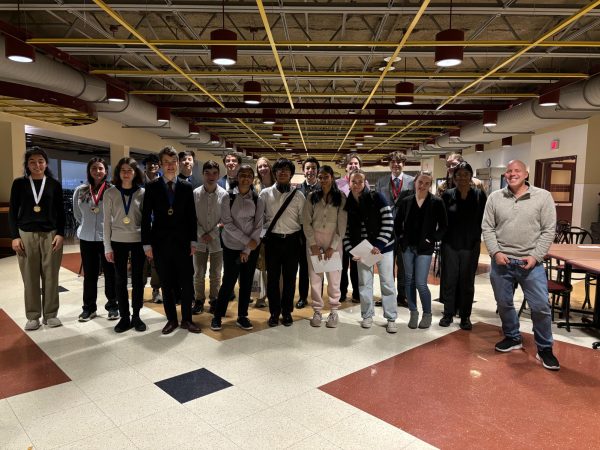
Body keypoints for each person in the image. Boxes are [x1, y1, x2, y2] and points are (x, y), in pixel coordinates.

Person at [482, 160, 559, 371]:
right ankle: (512, 336)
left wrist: (535, 256)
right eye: (508, 171)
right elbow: (487, 228)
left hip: (531, 264)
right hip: (502, 263)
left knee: (540, 306)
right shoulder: (495, 198)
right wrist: (496, 252)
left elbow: (548, 230)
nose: (512, 174)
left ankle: (544, 348)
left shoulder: (543, 197)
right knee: (504, 303)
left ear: (526, 173)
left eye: (517, 171)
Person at [142, 146, 200, 334]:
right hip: (160, 243)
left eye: (173, 162)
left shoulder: (186, 186)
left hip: (183, 243)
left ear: (177, 164)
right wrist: (147, 244)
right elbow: (145, 217)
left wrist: (193, 241)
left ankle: (187, 320)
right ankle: (172, 320)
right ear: (160, 165)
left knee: (186, 282)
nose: (170, 166)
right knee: (166, 283)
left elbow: (192, 217)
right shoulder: (151, 187)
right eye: (166, 162)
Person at [9, 147, 65, 331]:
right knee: (30, 277)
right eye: (32, 161)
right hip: (26, 234)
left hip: (51, 234)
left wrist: (60, 234)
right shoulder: (19, 184)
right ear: (27, 165)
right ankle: (33, 316)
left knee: (51, 276)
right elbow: (12, 213)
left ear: (46, 163)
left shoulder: (54, 184)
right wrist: (15, 237)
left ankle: (51, 315)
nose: (37, 165)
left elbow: (61, 212)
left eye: (40, 161)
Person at [211, 165, 264, 331]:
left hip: (251, 247)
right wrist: (246, 242)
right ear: (237, 177)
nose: (246, 178)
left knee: (247, 283)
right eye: (243, 175)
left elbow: (259, 225)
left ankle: (242, 316)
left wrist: (248, 249)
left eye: (249, 175)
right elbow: (227, 223)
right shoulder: (227, 197)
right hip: (231, 246)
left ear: (252, 178)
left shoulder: (258, 199)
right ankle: (217, 316)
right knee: (228, 281)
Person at [344, 169, 397, 333]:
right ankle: (367, 315)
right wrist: (351, 251)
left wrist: (379, 245)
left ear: (365, 182)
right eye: (354, 181)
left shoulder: (377, 197)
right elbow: (346, 230)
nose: (357, 185)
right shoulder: (348, 203)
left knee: (387, 283)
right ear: (349, 182)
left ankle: (391, 318)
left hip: (384, 247)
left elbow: (388, 222)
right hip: (363, 249)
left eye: (360, 181)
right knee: (364, 283)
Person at [395, 172, 447, 330]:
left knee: (421, 283)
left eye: (426, 183)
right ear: (415, 182)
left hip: (424, 249)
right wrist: (402, 239)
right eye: (420, 182)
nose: (422, 185)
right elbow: (397, 224)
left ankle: (427, 314)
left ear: (430, 185)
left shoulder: (436, 202)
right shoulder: (406, 201)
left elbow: (444, 226)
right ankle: (413, 312)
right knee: (409, 281)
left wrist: (432, 239)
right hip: (407, 248)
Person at [440, 162, 487, 330]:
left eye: (465, 174)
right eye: (458, 175)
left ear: (471, 176)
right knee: (449, 280)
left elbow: (485, 219)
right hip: (450, 244)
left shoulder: (479, 195)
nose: (462, 178)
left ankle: (465, 316)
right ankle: (448, 314)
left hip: (471, 244)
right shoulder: (447, 195)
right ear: (454, 177)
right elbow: (442, 219)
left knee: (467, 282)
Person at [260, 158, 305, 327]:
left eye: (287, 170)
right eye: (280, 170)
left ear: (291, 174)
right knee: (272, 279)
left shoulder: (299, 195)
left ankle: (287, 312)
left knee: (290, 279)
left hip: (292, 242)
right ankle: (274, 312)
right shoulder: (264, 194)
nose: (283, 172)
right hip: (272, 241)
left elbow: (303, 221)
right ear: (275, 173)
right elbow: (261, 219)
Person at [103, 157, 147, 333]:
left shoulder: (143, 193)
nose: (126, 173)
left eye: (130, 170)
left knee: (138, 280)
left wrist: (148, 245)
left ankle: (136, 315)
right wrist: (107, 247)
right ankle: (124, 316)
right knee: (120, 280)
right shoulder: (110, 193)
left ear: (135, 173)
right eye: (123, 170)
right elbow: (106, 222)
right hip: (118, 241)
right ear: (118, 173)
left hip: (138, 242)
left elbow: (146, 221)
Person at [73, 157, 117, 322]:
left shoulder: (112, 190)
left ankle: (113, 305)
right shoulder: (81, 190)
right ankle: (89, 308)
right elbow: (77, 213)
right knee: (90, 275)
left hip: (108, 239)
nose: (97, 171)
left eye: (100, 168)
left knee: (110, 273)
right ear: (89, 171)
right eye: (94, 168)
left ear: (106, 171)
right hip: (87, 238)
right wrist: (86, 225)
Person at [303, 165, 347, 328]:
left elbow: (342, 225)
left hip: (333, 242)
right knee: (315, 278)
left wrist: (333, 246)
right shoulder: (312, 196)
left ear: (332, 178)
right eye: (320, 177)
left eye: (325, 177)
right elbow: (306, 222)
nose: (322, 180)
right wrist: (313, 244)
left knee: (334, 279)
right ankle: (317, 310)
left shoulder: (340, 197)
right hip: (314, 240)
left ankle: (334, 311)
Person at [375, 151, 414, 308]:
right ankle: (387, 296)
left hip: (405, 230)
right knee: (386, 266)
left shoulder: (412, 182)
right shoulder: (381, 182)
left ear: (403, 164)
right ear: (389, 164)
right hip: (386, 230)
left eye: (399, 162)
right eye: (393, 162)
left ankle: (402, 296)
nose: (396, 164)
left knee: (403, 265)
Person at [192, 160, 228, 315]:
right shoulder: (195, 194)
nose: (211, 176)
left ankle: (214, 300)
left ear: (219, 175)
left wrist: (212, 234)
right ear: (203, 175)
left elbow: (226, 219)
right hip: (199, 240)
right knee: (198, 273)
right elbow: (191, 217)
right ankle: (199, 300)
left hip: (218, 241)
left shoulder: (224, 195)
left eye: (214, 173)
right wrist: (201, 233)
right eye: (207, 173)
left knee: (215, 273)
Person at [336, 152, 367, 304]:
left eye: (356, 164)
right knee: (341, 264)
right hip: (341, 229)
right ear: (346, 167)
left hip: (358, 231)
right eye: (350, 164)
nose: (353, 166)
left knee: (356, 264)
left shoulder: (364, 184)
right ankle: (342, 292)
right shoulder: (338, 184)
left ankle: (356, 292)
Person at [296, 157, 320, 309]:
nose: (310, 171)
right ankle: (303, 297)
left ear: (317, 170)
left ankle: (317, 298)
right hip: (301, 235)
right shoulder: (297, 190)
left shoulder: (324, 188)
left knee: (319, 267)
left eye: (313, 168)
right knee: (303, 268)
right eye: (308, 168)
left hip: (319, 234)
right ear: (303, 171)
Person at [252, 156, 274, 308]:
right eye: (260, 166)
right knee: (259, 266)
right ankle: (261, 297)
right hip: (258, 231)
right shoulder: (255, 185)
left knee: (272, 265)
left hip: (274, 230)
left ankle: (273, 295)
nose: (263, 169)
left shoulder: (276, 184)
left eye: (265, 165)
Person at [142, 153, 162, 304]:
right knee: (141, 261)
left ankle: (156, 289)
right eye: (150, 164)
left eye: (156, 164)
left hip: (157, 227)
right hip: (141, 226)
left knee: (156, 261)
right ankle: (140, 289)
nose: (153, 166)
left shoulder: (163, 182)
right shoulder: (139, 182)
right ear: (145, 166)